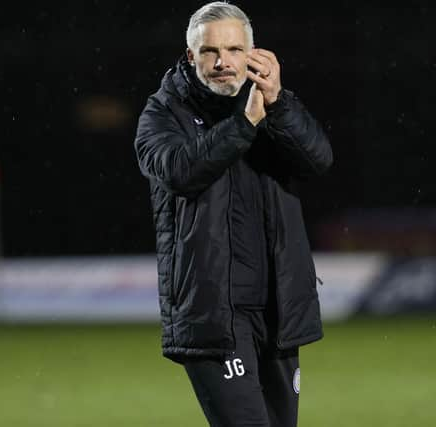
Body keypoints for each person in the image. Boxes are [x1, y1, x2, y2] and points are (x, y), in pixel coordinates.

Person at [134, 2, 333, 425]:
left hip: (278, 307)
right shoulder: (163, 113)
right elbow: (180, 172)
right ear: (191, 57)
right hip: (213, 316)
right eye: (210, 52)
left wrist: (278, 102)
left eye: (234, 49)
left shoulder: (271, 104)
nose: (223, 62)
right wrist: (244, 124)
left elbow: (318, 160)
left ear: (252, 52)